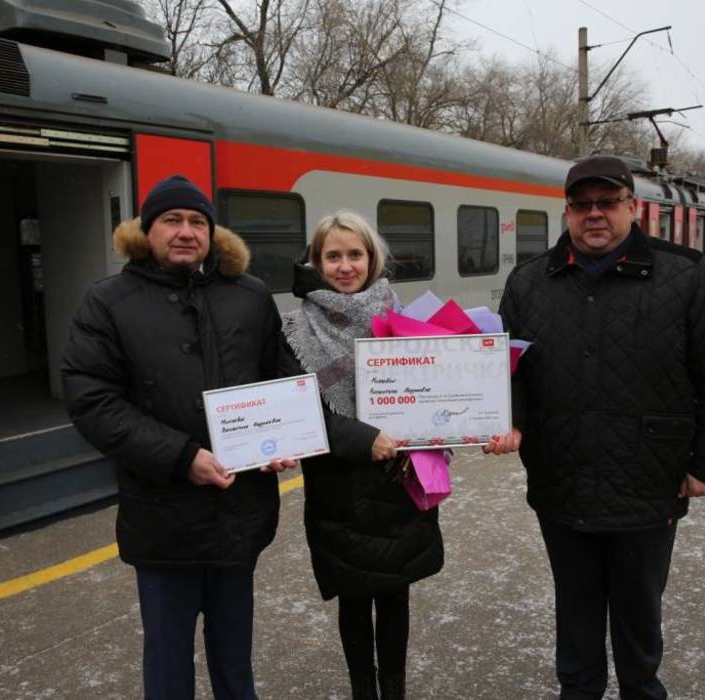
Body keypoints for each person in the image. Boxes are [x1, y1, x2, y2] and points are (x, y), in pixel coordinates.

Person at [491, 156, 705, 699]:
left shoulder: (685, 274)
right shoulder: (529, 282)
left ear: (632, 207)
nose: (595, 215)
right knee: (576, 619)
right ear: (567, 211)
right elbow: (507, 374)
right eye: (582, 205)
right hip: (562, 482)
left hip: (647, 485)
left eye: (608, 203)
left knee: (638, 621)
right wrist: (505, 421)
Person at [61, 174, 295, 700]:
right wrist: (182, 456)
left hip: (240, 512)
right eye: (172, 220)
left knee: (236, 655)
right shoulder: (108, 302)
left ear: (212, 234)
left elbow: (281, 379)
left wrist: (282, 441)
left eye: (197, 221)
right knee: (167, 662)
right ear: (148, 231)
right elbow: (91, 400)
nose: (186, 231)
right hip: (162, 514)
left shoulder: (251, 296)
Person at [281, 211, 444, 700]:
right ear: (316, 262)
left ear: (372, 260)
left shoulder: (403, 317)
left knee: (396, 595)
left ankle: (393, 691)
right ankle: (363, 692)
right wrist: (362, 439)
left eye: (355, 254)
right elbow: (300, 411)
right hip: (340, 489)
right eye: (333, 256)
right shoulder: (295, 330)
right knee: (353, 601)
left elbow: (436, 392)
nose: (345, 266)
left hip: (399, 481)